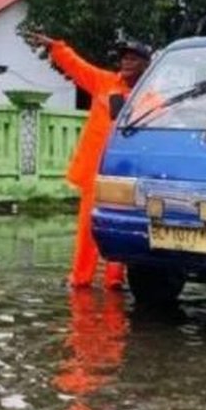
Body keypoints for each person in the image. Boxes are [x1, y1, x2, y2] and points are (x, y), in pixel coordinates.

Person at [26, 33, 152, 289]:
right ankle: (80, 277)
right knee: (86, 228)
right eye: (124, 58)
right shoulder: (104, 82)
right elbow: (77, 66)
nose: (126, 63)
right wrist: (57, 48)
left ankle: (114, 279)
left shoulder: (152, 97)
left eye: (133, 59)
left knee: (117, 226)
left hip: (125, 175)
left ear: (146, 65)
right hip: (94, 171)